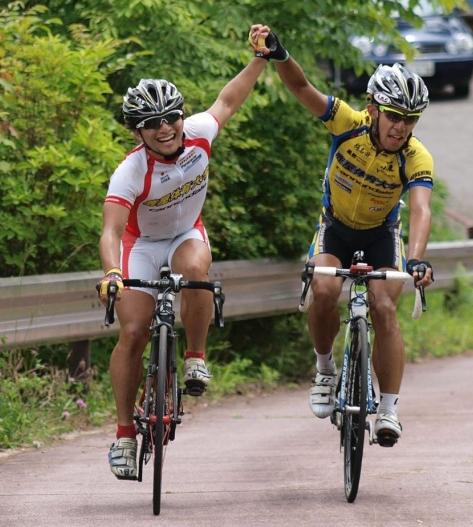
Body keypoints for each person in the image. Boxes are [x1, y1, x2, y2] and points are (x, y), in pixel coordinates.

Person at [249, 25, 435, 447]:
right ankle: (324, 369)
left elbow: (421, 209)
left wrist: (418, 259)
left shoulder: (415, 156)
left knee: (384, 306)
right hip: (335, 228)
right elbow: (301, 86)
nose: (401, 128)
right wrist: (280, 55)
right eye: (394, 116)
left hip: (381, 234)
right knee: (325, 287)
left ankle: (387, 408)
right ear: (372, 109)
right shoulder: (347, 124)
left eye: (410, 120)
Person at [97, 30, 269, 479]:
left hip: (186, 235)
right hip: (141, 245)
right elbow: (111, 230)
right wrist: (113, 271)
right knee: (133, 332)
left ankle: (195, 356)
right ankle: (123, 436)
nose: (166, 127)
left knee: (196, 269)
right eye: (153, 124)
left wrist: (261, 58)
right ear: (139, 131)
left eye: (171, 116)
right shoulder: (131, 170)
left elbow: (229, 100)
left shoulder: (197, 134)